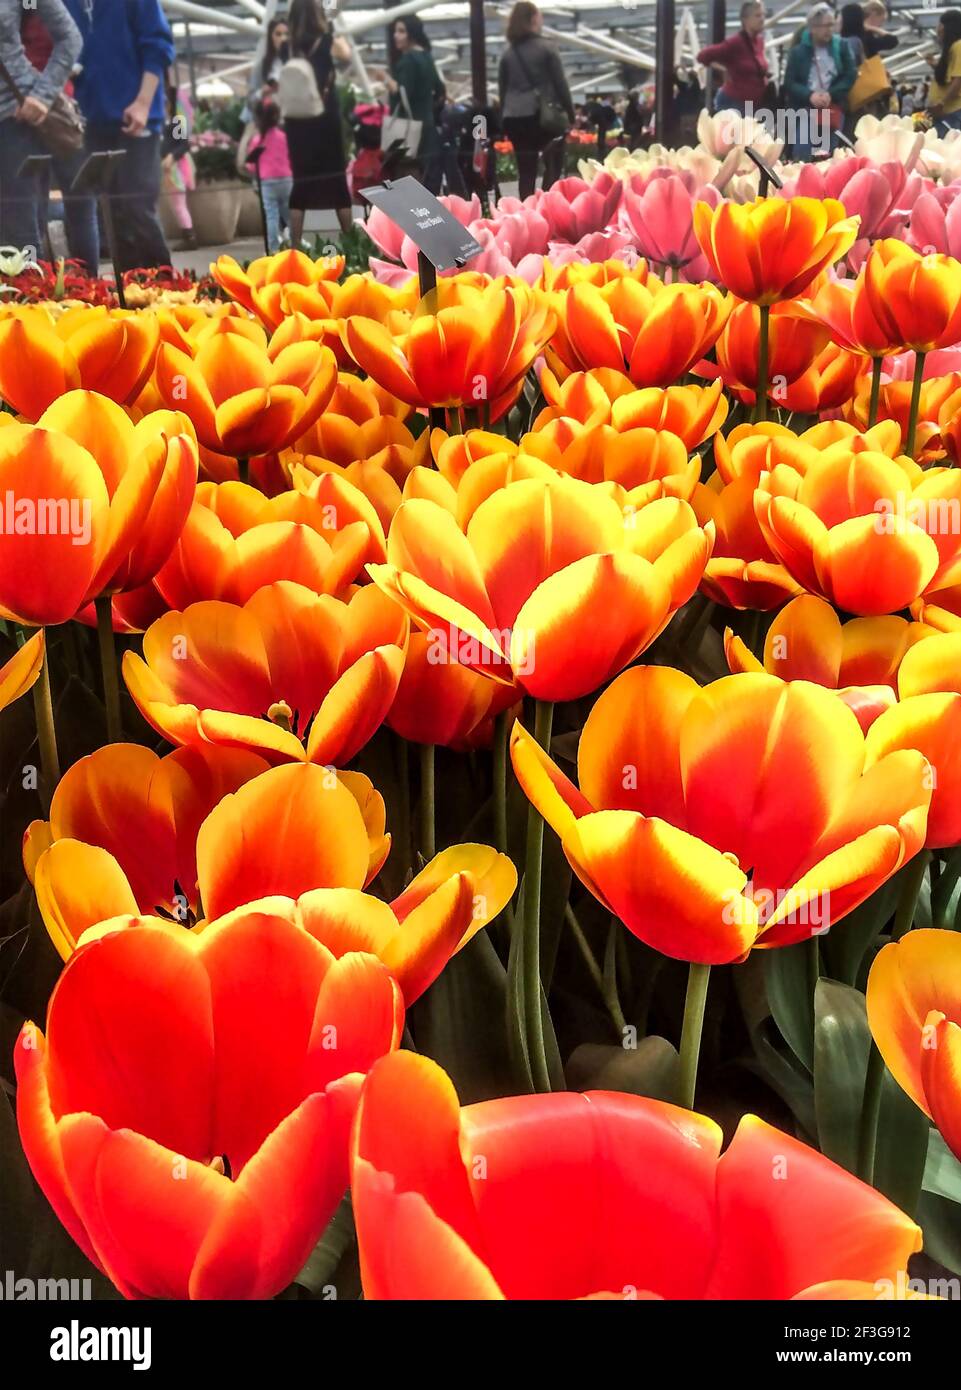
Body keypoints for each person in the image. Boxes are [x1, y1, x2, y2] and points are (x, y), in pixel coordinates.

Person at [64, 0, 174, 273]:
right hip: (91, 119)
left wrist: (143, 103)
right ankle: (129, 296)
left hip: (138, 116)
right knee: (112, 215)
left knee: (138, 207)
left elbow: (158, 45)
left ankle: (169, 289)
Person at [20, 6, 97, 273]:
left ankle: (44, 288)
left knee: (36, 209)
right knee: (74, 205)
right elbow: (80, 52)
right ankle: (87, 283)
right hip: (55, 112)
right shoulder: (66, 10)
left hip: (35, 111)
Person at [0, 0, 80, 256]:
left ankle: (30, 295)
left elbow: (70, 37)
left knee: (20, 237)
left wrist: (43, 96)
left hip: (15, 120)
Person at [280, 0, 352, 242]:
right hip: (326, 119)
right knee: (336, 179)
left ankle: (295, 246)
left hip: (296, 122)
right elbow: (346, 54)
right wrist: (330, 23)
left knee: (301, 181)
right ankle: (350, 238)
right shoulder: (326, 42)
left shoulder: (286, 47)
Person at [498, 2, 574, 200]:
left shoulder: (508, 54)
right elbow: (560, 84)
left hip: (514, 118)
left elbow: (502, 90)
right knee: (554, 160)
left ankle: (526, 210)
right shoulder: (546, 48)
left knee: (526, 169)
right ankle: (548, 202)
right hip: (540, 117)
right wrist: (570, 113)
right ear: (532, 19)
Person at [783, 4, 856, 159]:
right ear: (813, 28)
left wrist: (831, 94)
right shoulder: (798, 52)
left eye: (832, 25)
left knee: (827, 154)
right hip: (806, 108)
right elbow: (789, 82)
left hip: (833, 107)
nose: (829, 29)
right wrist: (809, 95)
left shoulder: (841, 46)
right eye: (825, 26)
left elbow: (850, 74)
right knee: (802, 153)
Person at [384, 17, 445, 193]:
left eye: (401, 31)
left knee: (406, 179)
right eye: (396, 31)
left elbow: (403, 92)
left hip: (406, 130)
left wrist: (386, 80)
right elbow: (440, 90)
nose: (396, 36)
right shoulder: (427, 57)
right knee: (425, 176)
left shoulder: (408, 60)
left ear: (412, 34)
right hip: (427, 125)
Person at [697, 2, 771, 116]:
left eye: (763, 15)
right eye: (757, 16)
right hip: (734, 103)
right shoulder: (735, 43)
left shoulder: (759, 42)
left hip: (752, 105)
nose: (762, 19)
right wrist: (723, 68)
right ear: (745, 20)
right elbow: (702, 56)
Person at [246, 97, 292, 253]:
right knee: (289, 214)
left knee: (271, 215)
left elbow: (251, 165)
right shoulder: (284, 137)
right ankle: (296, 244)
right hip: (286, 179)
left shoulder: (258, 140)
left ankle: (273, 249)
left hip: (267, 182)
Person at [160, 73, 196, 252]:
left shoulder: (177, 120)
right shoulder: (164, 120)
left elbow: (183, 143)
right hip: (165, 167)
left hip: (176, 169)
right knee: (176, 205)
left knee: (178, 204)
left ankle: (189, 236)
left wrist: (171, 157)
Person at [926, 10, 961, 135]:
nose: (937, 29)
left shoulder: (958, 46)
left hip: (952, 112)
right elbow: (951, 75)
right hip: (946, 113)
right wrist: (935, 65)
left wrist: (941, 103)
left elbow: (958, 81)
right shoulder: (953, 48)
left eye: (939, 24)